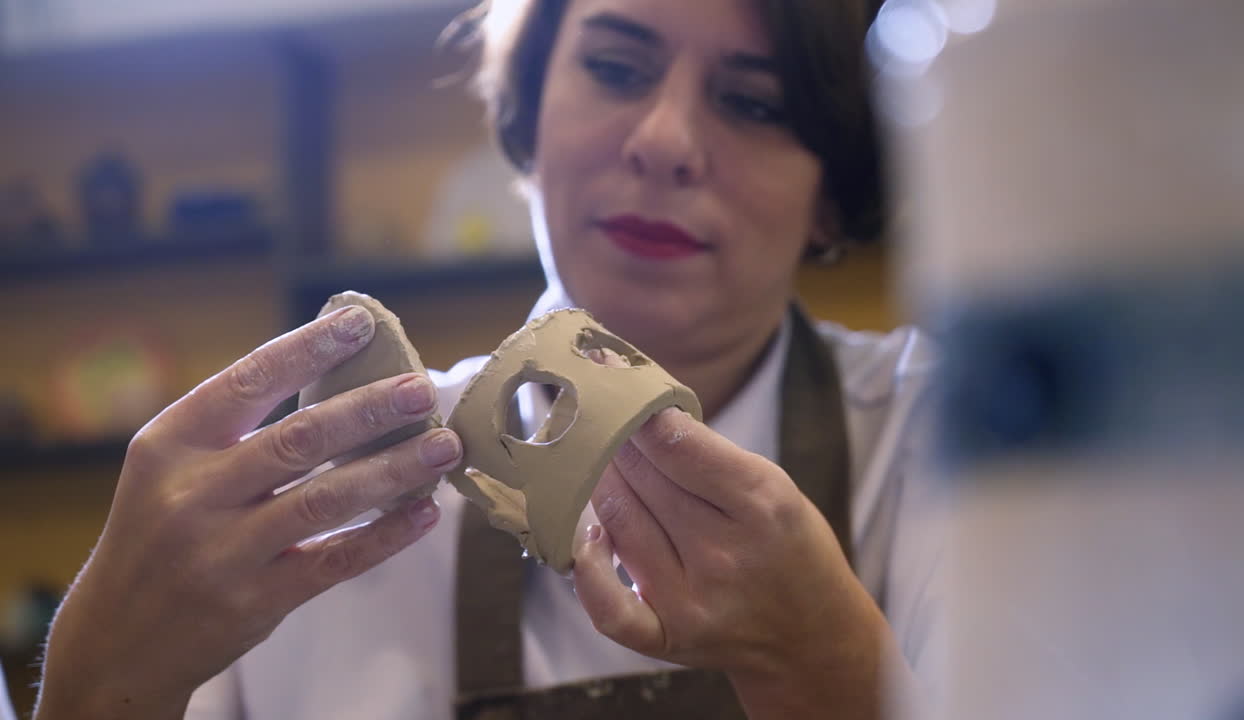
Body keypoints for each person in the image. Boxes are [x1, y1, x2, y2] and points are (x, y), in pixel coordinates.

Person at [33, 0, 942, 718]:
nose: (664, 141)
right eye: (617, 68)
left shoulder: (946, 443)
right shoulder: (333, 489)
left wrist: (834, 674)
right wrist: (93, 687)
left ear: (835, 190)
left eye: (755, 102)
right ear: (530, 110)